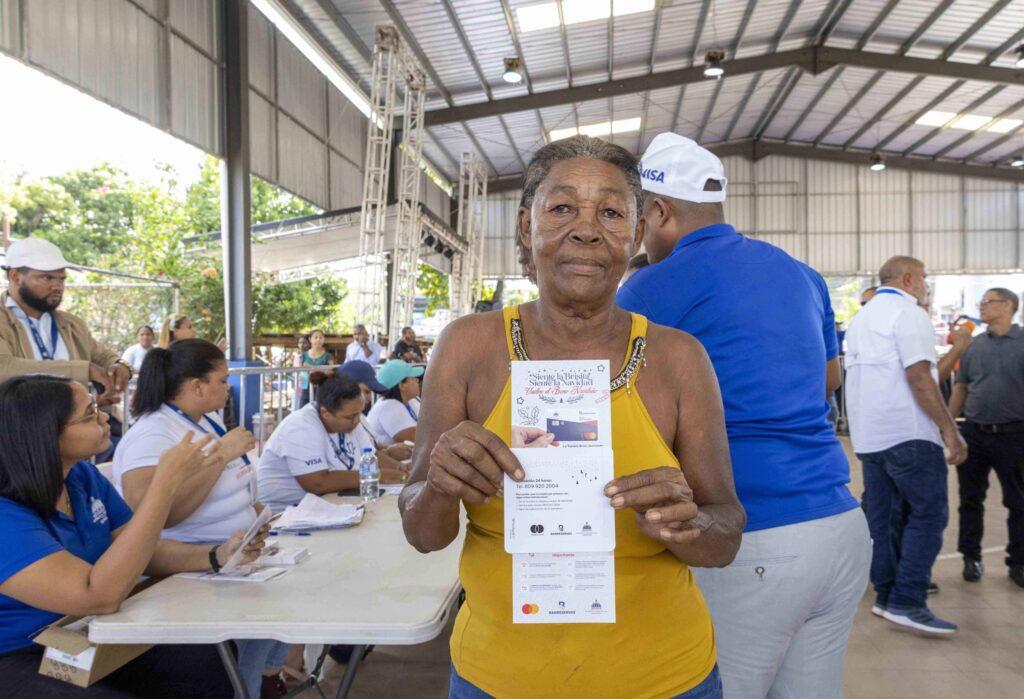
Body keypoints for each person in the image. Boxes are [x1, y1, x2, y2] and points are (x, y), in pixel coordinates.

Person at [400, 134, 744, 698]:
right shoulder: (467, 347)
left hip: (665, 679)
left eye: (610, 212)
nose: (586, 229)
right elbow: (422, 532)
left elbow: (725, 533)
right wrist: (439, 484)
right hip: (499, 678)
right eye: (562, 208)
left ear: (635, 235)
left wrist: (688, 525)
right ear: (525, 225)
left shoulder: (679, 358)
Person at [617, 133, 869, 699]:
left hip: (751, 538)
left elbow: (605, 394)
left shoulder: (653, 285)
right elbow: (830, 379)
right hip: (838, 523)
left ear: (657, 210)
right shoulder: (800, 273)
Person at [0, 374, 266, 698]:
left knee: (204, 660)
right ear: (45, 437)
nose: (103, 417)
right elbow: (97, 595)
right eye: (88, 414)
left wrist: (217, 555)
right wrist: (164, 484)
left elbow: (141, 550)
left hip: (86, 631)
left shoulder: (80, 476)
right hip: (20, 652)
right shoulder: (6, 514)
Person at [112, 339, 287, 698]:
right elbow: (158, 515)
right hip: (190, 565)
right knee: (250, 640)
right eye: (223, 380)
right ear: (197, 386)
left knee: (278, 620)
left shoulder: (203, 419)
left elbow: (229, 485)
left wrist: (255, 515)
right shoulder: (153, 434)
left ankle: (265, 682)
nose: (228, 386)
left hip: (236, 556)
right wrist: (220, 456)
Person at [845, 255, 967, 634]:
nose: (927, 286)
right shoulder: (908, 313)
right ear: (910, 279)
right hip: (910, 435)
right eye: (926, 278)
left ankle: (885, 596)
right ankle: (908, 601)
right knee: (928, 515)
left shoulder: (863, 317)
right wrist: (949, 430)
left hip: (871, 437)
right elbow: (919, 377)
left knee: (883, 519)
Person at [948, 287, 1024, 588]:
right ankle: (971, 557)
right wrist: (948, 428)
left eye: (987, 302)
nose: (981, 307)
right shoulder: (973, 346)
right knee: (970, 499)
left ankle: (1018, 562)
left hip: (1015, 435)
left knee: (1019, 502)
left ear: (1007, 306)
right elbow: (961, 389)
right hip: (974, 433)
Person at [0, 237, 132, 402]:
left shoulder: (72, 324)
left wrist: (120, 366)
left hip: (68, 426)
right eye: (47, 278)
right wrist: (83, 370)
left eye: (61, 278)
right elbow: (4, 368)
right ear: (15, 276)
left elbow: (105, 357)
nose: (57, 286)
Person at [257, 371, 409, 510]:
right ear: (325, 413)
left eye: (359, 414)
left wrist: (402, 470)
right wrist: (376, 475)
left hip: (328, 505)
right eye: (351, 417)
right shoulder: (301, 427)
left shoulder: (352, 420)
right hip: (286, 514)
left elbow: (372, 455)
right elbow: (318, 483)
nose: (357, 421)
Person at [364, 359, 423, 446]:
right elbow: (418, 439)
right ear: (402, 386)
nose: (418, 381)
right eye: (414, 379)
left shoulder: (411, 401)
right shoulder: (388, 407)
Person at [298, 329, 335, 408]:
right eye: (316, 337)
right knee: (302, 411)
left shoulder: (328, 356)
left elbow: (331, 372)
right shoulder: (303, 356)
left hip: (321, 389)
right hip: (306, 388)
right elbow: (299, 371)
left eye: (321, 337)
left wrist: (312, 369)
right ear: (310, 339)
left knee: (319, 412)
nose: (318, 339)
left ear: (324, 340)